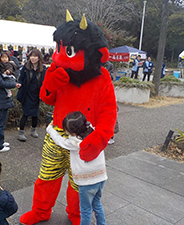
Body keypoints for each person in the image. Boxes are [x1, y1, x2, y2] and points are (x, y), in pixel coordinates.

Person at [19, 11, 117, 225]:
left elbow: (109, 112)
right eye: (59, 49)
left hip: (84, 139)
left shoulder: (102, 78)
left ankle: (76, 214)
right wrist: (51, 83)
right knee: (47, 175)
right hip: (56, 135)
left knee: (78, 182)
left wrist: (98, 138)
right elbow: (46, 98)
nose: (59, 56)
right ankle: (41, 210)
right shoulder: (57, 69)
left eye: (68, 51)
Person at [46, 111, 107, 225]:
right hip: (101, 177)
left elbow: (60, 140)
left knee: (85, 209)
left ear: (73, 133)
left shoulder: (74, 143)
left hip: (86, 181)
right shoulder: (95, 133)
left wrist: (50, 129)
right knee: (96, 203)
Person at [16, 49, 46, 141]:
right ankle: (21, 132)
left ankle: (33, 130)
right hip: (26, 93)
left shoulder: (43, 68)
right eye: (31, 56)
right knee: (25, 113)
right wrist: (19, 83)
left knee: (35, 114)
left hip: (36, 94)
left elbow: (44, 82)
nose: (33, 58)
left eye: (35, 56)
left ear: (39, 58)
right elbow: (21, 78)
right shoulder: (26, 67)